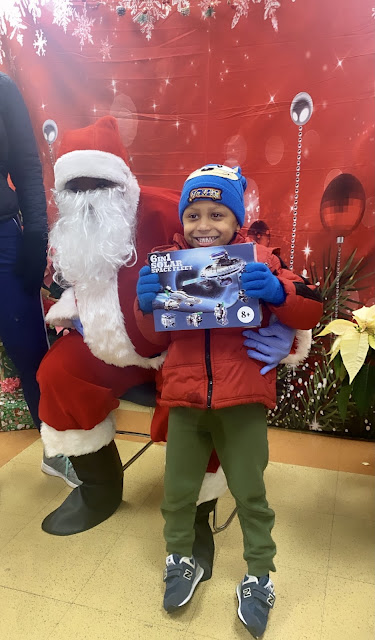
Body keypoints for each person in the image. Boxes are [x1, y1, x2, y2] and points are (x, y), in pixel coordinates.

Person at [36, 118, 301, 560]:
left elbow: (257, 262)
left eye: (97, 183)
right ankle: (98, 487)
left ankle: (198, 511)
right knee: (58, 375)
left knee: (207, 400)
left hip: (177, 352)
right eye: (75, 186)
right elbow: (75, 283)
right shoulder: (68, 229)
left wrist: (285, 329)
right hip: (105, 346)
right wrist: (69, 313)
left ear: (122, 179)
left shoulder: (172, 212)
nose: (87, 198)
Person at [135, 164, 323, 637]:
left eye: (217, 214)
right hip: (184, 401)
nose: (204, 225)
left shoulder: (261, 257)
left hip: (242, 401)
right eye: (194, 214)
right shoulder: (166, 266)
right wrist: (144, 306)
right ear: (182, 219)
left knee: (252, 494)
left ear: (236, 219)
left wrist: (278, 292)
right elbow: (150, 340)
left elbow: (312, 304)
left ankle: (260, 576)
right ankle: (180, 559)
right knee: (177, 492)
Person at [0, 72, 79, 488]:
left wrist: (35, 236)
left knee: (31, 351)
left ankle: (57, 450)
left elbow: (28, 168)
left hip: (3, 239)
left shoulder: (3, 88)